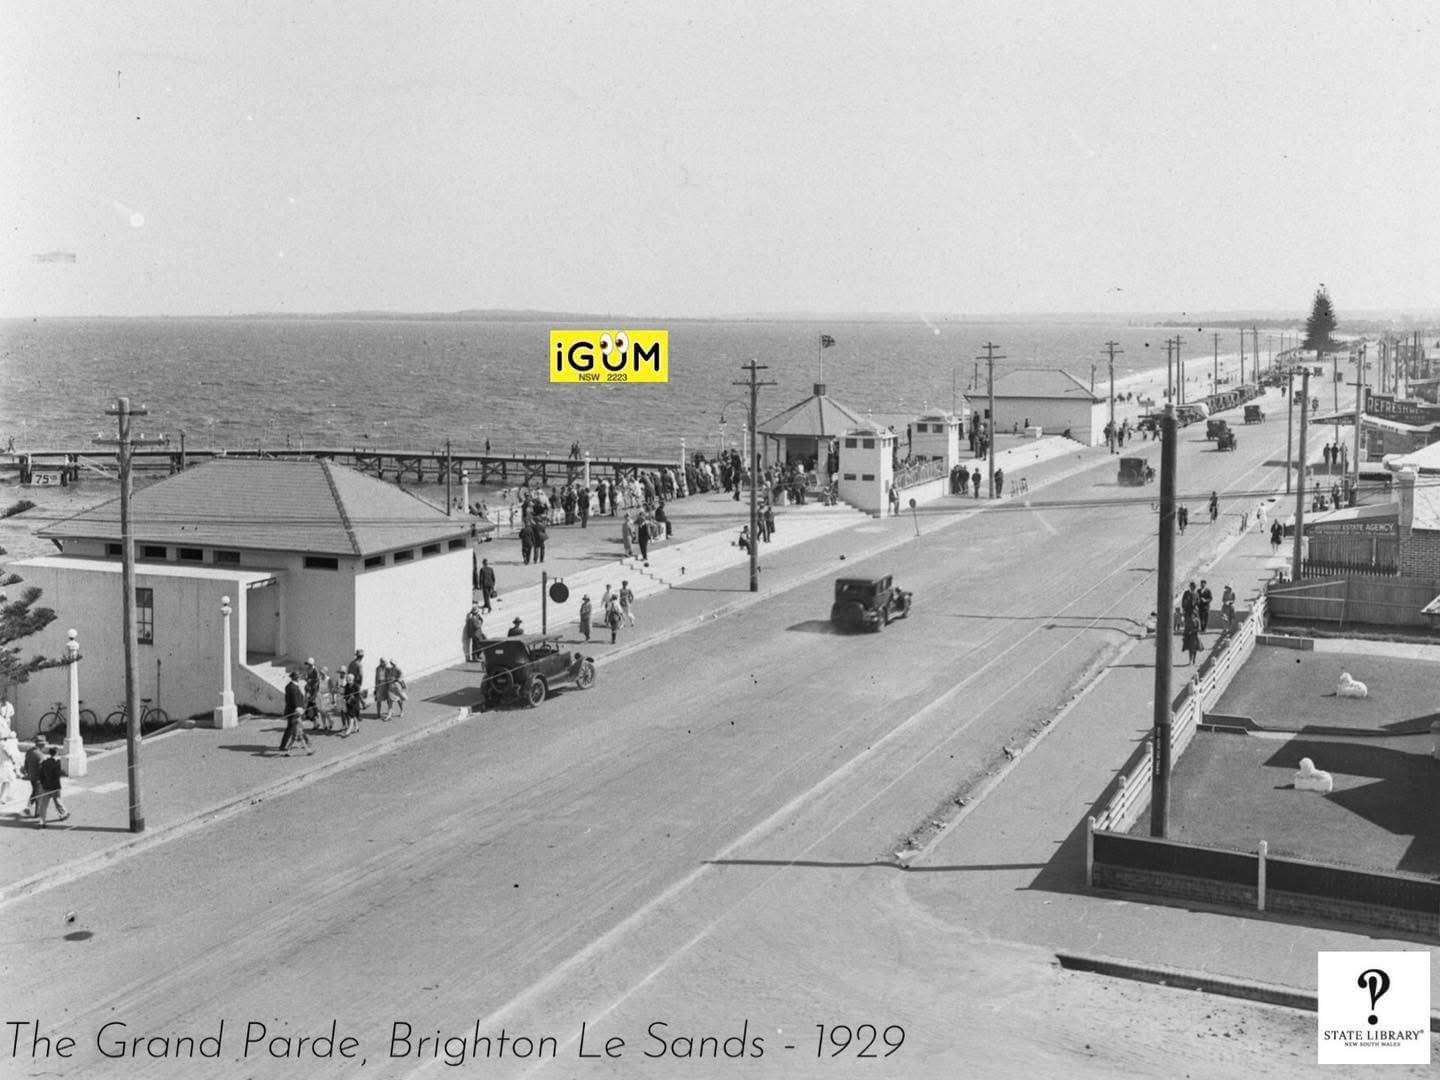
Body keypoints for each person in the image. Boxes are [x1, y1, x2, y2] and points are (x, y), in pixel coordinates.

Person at [34, 744, 69, 826]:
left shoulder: (45, 763)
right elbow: (57, 776)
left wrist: (43, 784)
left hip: (46, 786)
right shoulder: (57, 763)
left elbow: (41, 775)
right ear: (56, 753)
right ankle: (63, 814)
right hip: (54, 787)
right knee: (57, 800)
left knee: (44, 805)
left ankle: (42, 821)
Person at [278, 671, 312, 755]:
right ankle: (304, 744)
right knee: (295, 729)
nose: (299, 678)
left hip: (293, 711)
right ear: (296, 678)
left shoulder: (291, 686)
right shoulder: (292, 688)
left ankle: (306, 742)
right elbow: (294, 701)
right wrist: (299, 709)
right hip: (294, 712)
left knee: (296, 728)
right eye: (298, 676)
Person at [22, 733, 47, 816]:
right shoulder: (40, 755)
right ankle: (37, 813)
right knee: (39, 794)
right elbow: (41, 768)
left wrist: (26, 772)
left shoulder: (29, 752)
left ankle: (28, 807)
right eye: (44, 744)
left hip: (31, 776)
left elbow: (25, 763)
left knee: (34, 792)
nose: (45, 746)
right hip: (38, 778)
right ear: (41, 745)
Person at [0, 731, 22, 809]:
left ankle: (4, 796)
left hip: (2, 764)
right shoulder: (3, 744)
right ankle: (3, 798)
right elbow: (9, 754)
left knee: (5, 781)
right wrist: (13, 761)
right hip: (5, 764)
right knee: (7, 781)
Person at [341, 673, 361, 737]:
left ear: (352, 679)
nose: (347, 680)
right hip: (348, 703)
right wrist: (346, 699)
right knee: (353, 715)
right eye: (347, 679)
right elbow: (345, 694)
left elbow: (358, 696)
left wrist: (353, 698)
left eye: (349, 679)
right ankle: (357, 727)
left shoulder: (356, 686)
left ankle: (349, 730)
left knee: (351, 716)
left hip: (354, 704)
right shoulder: (346, 686)